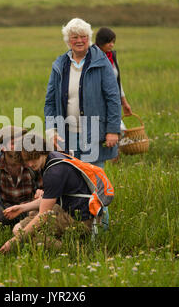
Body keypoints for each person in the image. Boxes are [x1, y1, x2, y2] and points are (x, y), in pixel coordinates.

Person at [44, 18, 121, 230]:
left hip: (95, 133)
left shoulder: (101, 62)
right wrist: (51, 130)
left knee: (95, 182)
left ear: (89, 38)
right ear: (68, 40)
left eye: (83, 36)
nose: (79, 41)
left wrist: (113, 130)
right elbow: (50, 100)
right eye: (74, 37)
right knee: (73, 182)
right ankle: (77, 227)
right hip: (67, 134)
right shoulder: (60, 64)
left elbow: (113, 97)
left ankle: (101, 229)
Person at [0, 133, 106, 254]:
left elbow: (43, 216)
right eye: (26, 160)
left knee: (24, 231)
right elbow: (48, 199)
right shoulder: (54, 157)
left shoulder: (54, 172)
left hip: (81, 220)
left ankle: (71, 250)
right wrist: (21, 208)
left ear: (42, 151)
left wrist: (14, 241)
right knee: (23, 223)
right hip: (78, 210)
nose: (30, 164)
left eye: (33, 158)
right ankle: (63, 242)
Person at [0, 126, 43, 232]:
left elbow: (44, 187)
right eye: (13, 143)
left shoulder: (33, 160)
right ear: (3, 147)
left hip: (30, 207)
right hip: (7, 209)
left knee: (46, 214)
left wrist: (41, 192)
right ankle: (19, 226)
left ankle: (25, 226)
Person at [95, 27, 133, 131]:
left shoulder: (112, 56)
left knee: (120, 131)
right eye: (108, 42)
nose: (111, 45)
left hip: (112, 102)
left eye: (113, 42)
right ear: (100, 41)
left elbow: (117, 82)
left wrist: (124, 103)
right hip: (98, 104)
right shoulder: (92, 57)